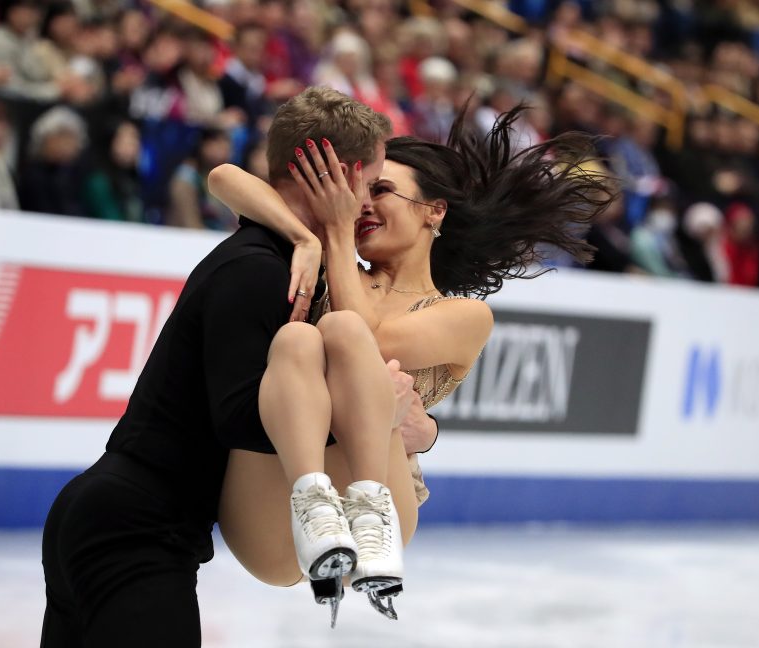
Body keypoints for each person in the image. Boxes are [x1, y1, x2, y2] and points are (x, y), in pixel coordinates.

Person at [39, 87, 425, 647]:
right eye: (367, 185)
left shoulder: (269, 255)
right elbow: (239, 418)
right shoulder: (261, 270)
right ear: (338, 175)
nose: (366, 204)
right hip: (135, 530)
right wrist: (361, 415)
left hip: (122, 520)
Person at [208, 105, 609, 622]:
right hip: (271, 510)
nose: (361, 206)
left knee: (340, 330)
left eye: (381, 191)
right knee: (301, 342)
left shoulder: (464, 314)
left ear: (434, 211)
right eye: (361, 190)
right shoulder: (327, 261)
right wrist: (308, 235)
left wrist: (330, 234)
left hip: (379, 516)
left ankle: (367, 507)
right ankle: (314, 505)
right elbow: (223, 177)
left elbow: (369, 339)